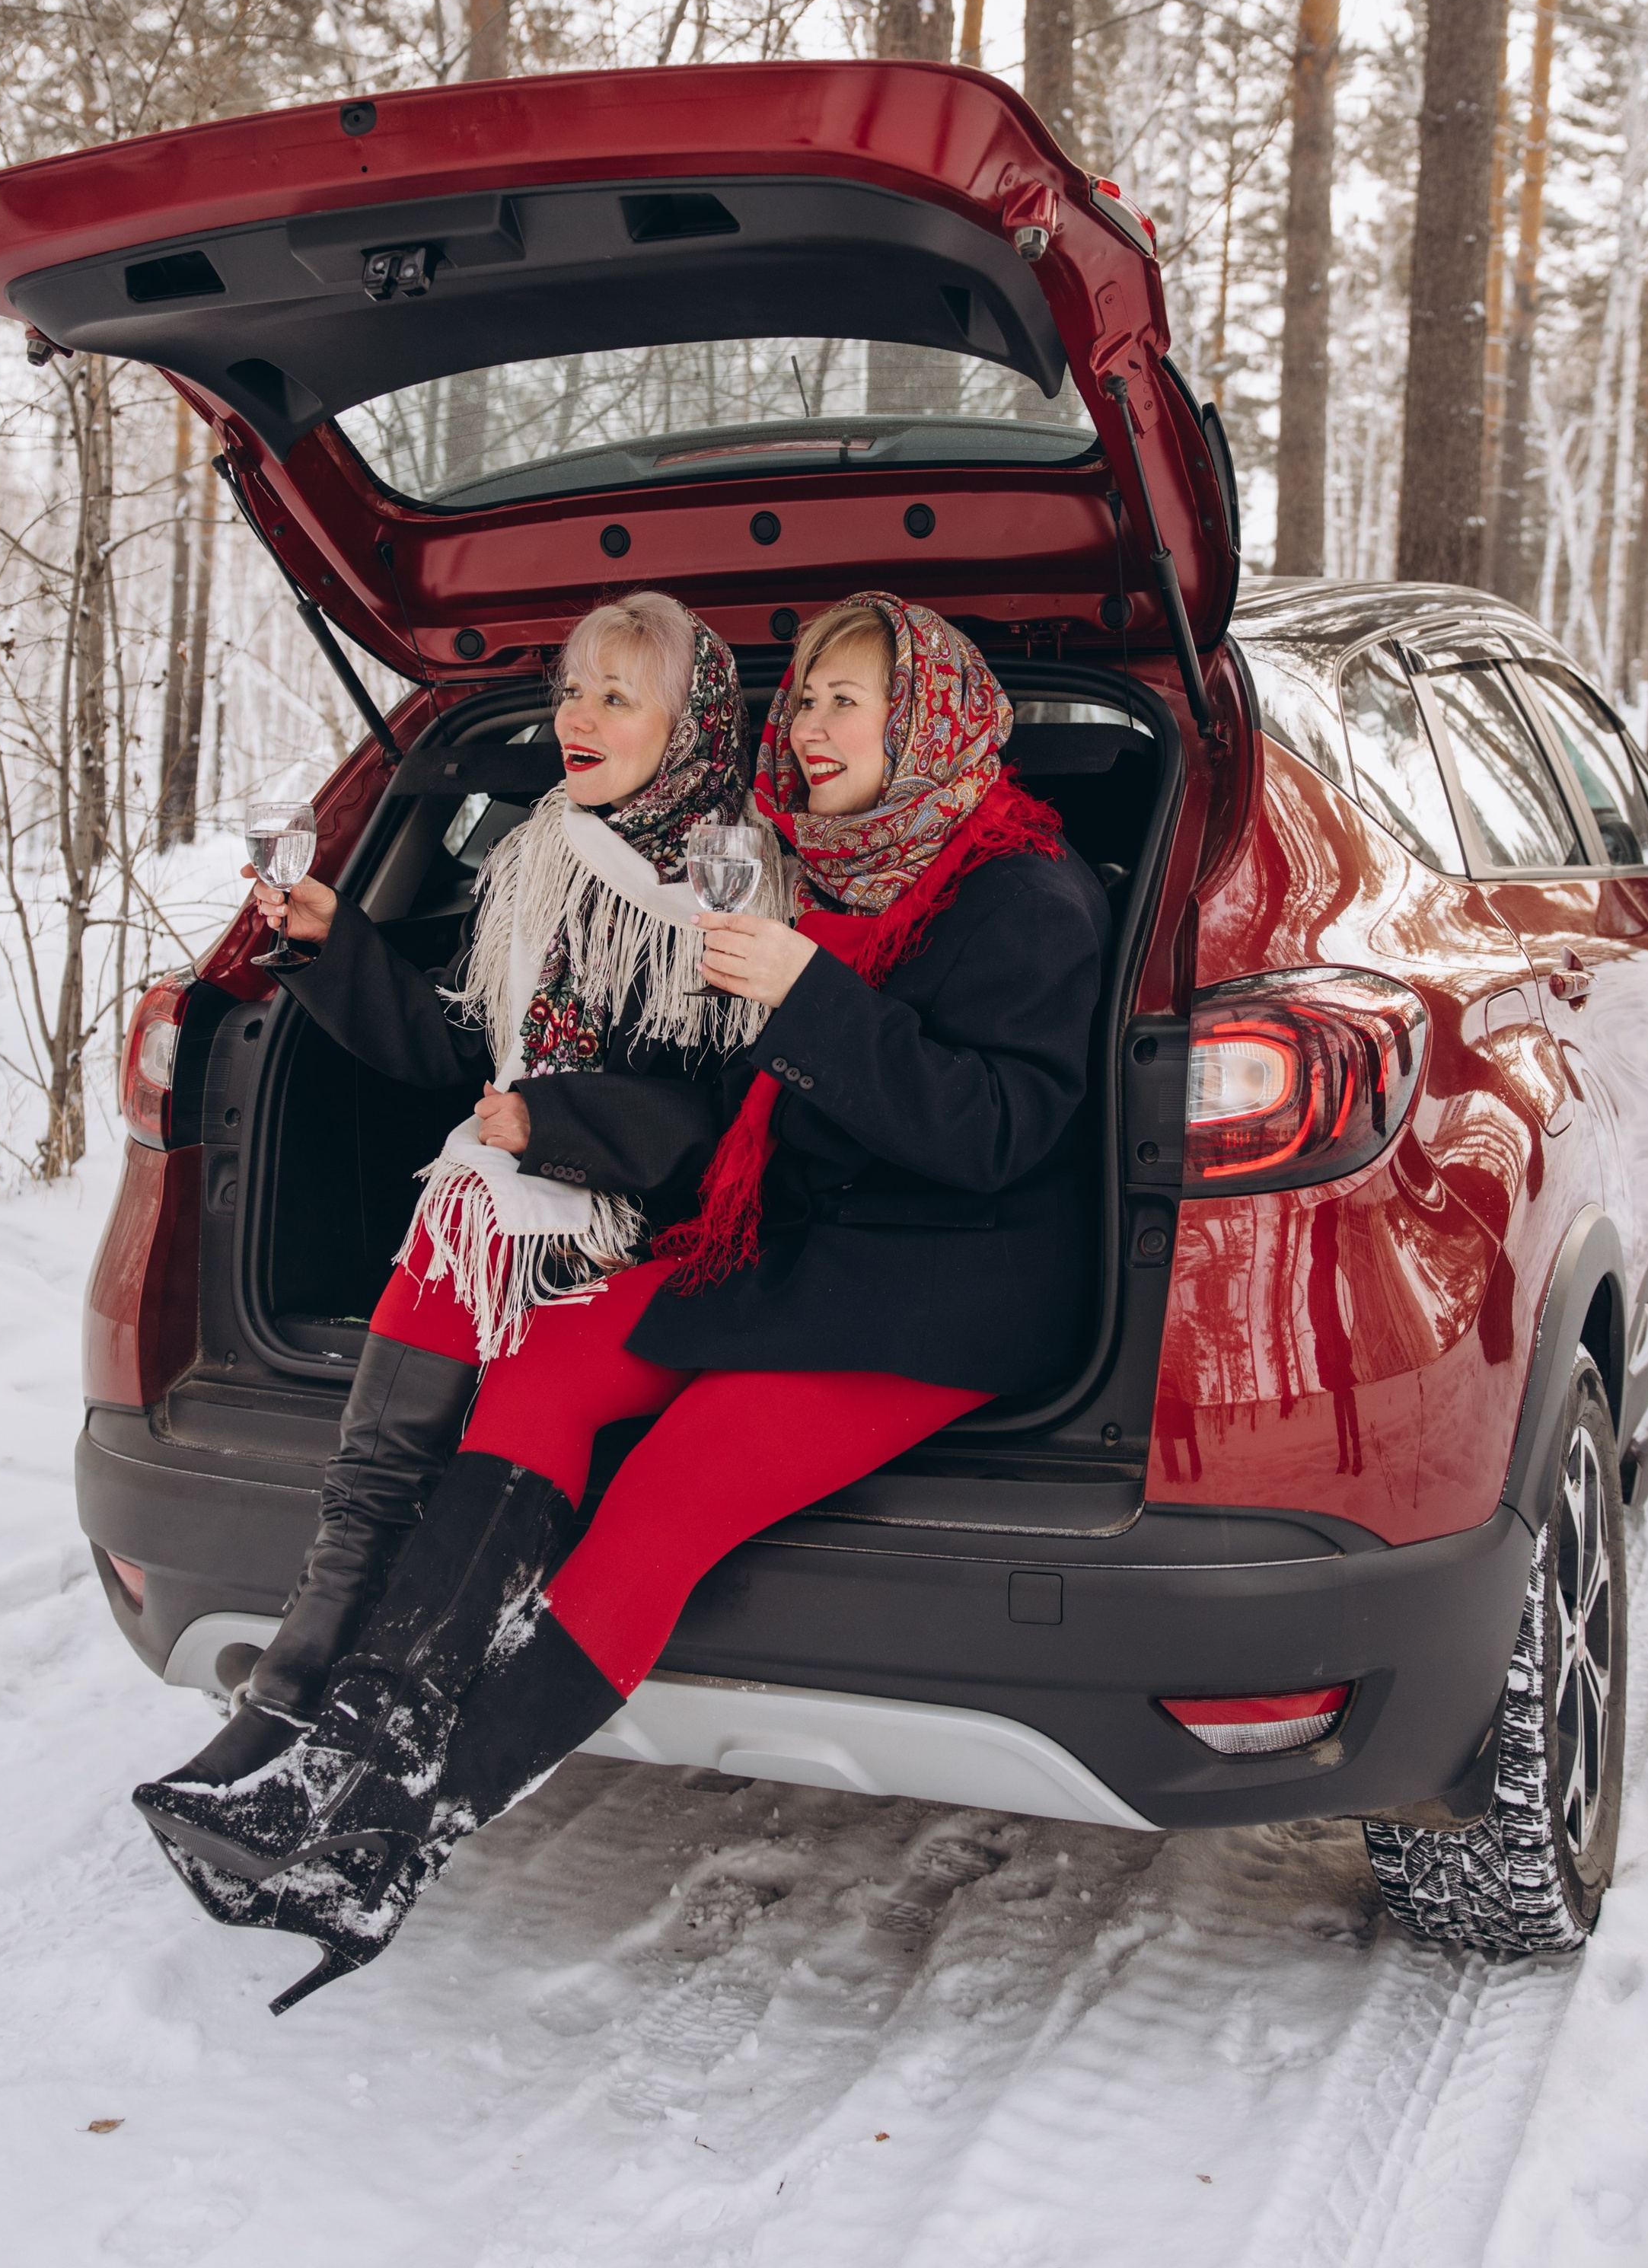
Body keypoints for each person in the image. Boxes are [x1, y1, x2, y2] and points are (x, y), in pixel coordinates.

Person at [135, 594, 1110, 2011]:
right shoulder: (808, 877)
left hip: (936, 1294)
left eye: (852, 699)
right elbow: (707, 1103)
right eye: (811, 701)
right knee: (548, 1365)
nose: (816, 726)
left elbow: (1001, 1133)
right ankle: (363, 1735)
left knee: (670, 1489)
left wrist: (808, 1002)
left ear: (934, 717)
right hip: (786, 1255)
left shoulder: (1028, 891)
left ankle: (397, 1840)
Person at [171, 591, 772, 1782]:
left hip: (663, 1232)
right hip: (519, 1195)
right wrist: (330, 941)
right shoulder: (540, 852)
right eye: (569, 690)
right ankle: (300, 1678)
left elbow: (737, 1124)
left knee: (473, 1198)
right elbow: (460, 1048)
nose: (575, 717)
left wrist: (556, 1124)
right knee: (463, 1210)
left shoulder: (736, 885)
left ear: (690, 724)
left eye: (615, 695)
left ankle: (313, 1685)